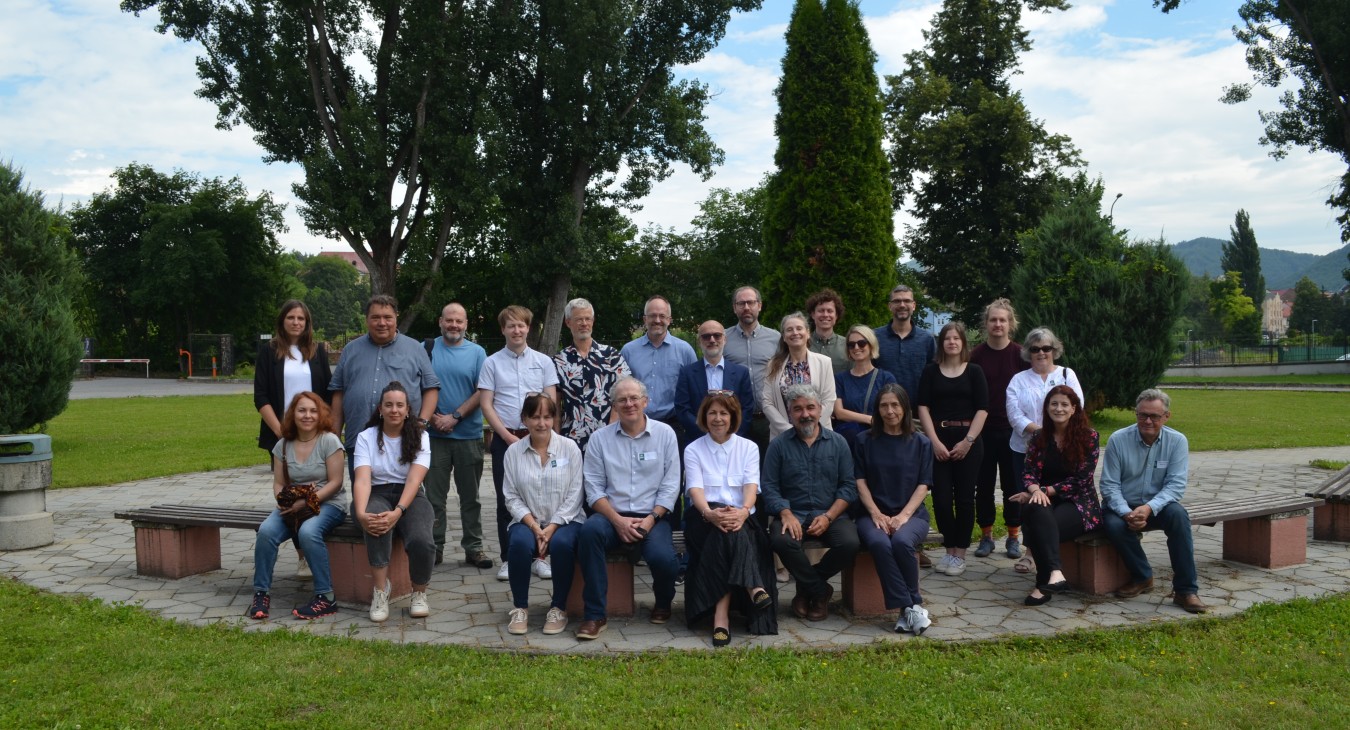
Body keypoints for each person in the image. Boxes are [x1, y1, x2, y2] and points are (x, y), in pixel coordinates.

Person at [575, 377, 681, 639]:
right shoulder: (600, 439)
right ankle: (595, 614)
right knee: (589, 533)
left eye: (634, 398)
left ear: (645, 401)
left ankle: (664, 601)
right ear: (614, 405)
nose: (629, 404)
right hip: (611, 515)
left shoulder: (665, 434)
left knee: (664, 559)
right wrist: (617, 521)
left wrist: (650, 520)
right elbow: (594, 489)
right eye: (622, 400)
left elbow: (671, 486)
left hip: (652, 516)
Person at [1099, 389, 1207, 614]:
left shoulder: (1177, 441)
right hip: (1122, 505)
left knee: (1179, 516)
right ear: (1135, 413)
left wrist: (1148, 508)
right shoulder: (1118, 439)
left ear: (1166, 416)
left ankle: (1186, 590)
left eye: (1154, 416)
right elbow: (1109, 485)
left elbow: (1175, 486)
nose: (1147, 421)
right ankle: (1142, 576)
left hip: (1157, 505)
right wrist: (1126, 512)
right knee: (1113, 525)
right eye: (1142, 415)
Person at [683, 392, 776, 646]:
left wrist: (744, 512)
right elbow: (695, 491)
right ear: (704, 416)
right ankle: (754, 588)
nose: (718, 418)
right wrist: (710, 514)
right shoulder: (693, 449)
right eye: (712, 413)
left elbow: (751, 487)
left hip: (742, 514)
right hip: (703, 516)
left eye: (724, 413)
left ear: (733, 417)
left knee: (729, 533)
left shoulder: (749, 447)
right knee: (726, 532)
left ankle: (720, 618)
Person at [761, 384, 859, 622]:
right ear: (789, 412)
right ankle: (820, 590)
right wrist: (785, 513)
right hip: (792, 514)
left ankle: (807, 588)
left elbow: (848, 486)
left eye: (810, 408)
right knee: (780, 540)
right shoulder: (778, 446)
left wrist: (828, 517)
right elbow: (769, 487)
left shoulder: (838, 443)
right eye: (798, 409)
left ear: (820, 409)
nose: (805, 414)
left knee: (850, 543)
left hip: (831, 514)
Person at [247, 391, 347, 620]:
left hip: (329, 504)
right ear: (293, 414)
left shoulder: (329, 440)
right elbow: (279, 484)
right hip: (293, 505)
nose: (308, 415)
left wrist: (308, 501)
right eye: (302, 410)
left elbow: (336, 482)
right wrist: (285, 502)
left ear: (320, 413)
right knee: (266, 531)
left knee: (308, 532)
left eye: (313, 410)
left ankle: (326, 597)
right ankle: (261, 592)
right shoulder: (282, 445)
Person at [479, 305, 560, 582]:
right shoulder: (491, 363)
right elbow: (486, 405)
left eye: (522, 325)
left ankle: (540, 557)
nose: (517, 330)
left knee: (543, 497)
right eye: (511, 326)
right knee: (506, 501)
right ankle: (508, 558)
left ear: (529, 328)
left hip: (538, 438)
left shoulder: (543, 361)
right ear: (503, 329)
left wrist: (549, 437)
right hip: (506, 439)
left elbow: (550, 401)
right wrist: (507, 436)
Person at [253, 299, 333, 579]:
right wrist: (280, 432)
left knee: (318, 491)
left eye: (301, 318)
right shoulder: (270, 352)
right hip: (284, 436)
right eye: (291, 318)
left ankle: (314, 549)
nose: (296, 322)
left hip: (316, 436)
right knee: (289, 494)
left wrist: (325, 429)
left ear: (307, 322)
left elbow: (327, 392)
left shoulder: (318, 352)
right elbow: (261, 396)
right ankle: (302, 556)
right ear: (282, 321)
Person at [351, 381, 437, 623]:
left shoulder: (421, 436)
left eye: (400, 405)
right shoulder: (366, 437)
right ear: (380, 409)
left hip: (409, 497)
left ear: (408, 409)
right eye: (388, 405)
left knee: (422, 538)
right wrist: (360, 514)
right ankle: (380, 591)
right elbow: (363, 480)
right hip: (375, 494)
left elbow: (413, 480)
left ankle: (419, 593)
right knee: (376, 521)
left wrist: (398, 511)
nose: (394, 410)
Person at [500, 394, 585, 636]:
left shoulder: (570, 448)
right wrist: (535, 527)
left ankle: (559, 607)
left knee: (562, 544)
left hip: (566, 521)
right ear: (524, 419)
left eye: (547, 417)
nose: (541, 423)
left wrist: (552, 527)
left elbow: (576, 492)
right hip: (527, 522)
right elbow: (511, 496)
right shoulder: (513, 452)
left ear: (554, 419)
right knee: (517, 543)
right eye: (535, 417)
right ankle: (520, 608)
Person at [1010, 385, 1101, 606]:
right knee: (1033, 508)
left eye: (1064, 404)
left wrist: (1045, 491)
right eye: (1054, 404)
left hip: (1079, 504)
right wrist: (1033, 490)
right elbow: (1029, 472)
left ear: (1073, 409)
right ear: (1047, 408)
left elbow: (1082, 480)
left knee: (1037, 523)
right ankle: (1055, 574)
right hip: (1044, 500)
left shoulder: (1089, 437)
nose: (1058, 408)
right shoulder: (1039, 437)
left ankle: (1043, 584)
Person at [853, 384, 933, 635]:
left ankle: (904, 610)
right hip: (871, 513)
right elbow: (859, 481)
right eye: (884, 405)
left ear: (905, 407)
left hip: (912, 514)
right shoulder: (863, 440)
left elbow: (924, 484)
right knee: (879, 543)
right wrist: (876, 513)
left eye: (895, 405)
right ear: (877, 410)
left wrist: (902, 517)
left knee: (901, 542)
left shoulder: (921, 442)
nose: (890, 411)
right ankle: (912, 605)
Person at [1004, 326, 1084, 568]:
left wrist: (1053, 436)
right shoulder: (1018, 379)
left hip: (1062, 449)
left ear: (1054, 350)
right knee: (1029, 498)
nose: (1041, 353)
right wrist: (1039, 434)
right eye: (1035, 349)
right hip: (1025, 449)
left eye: (1046, 348)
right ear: (1028, 352)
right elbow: (1013, 413)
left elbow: (1077, 406)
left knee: (1054, 496)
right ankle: (1030, 553)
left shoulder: (1066, 375)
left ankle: (1045, 550)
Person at [329, 295, 439, 464]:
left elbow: (431, 388)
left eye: (387, 317)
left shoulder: (415, 349)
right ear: (366, 320)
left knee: (406, 490)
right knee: (361, 489)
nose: (382, 323)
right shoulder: (350, 350)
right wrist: (334, 436)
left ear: (396, 317)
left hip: (404, 440)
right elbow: (339, 392)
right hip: (359, 439)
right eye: (375, 317)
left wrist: (422, 422)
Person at [917, 321, 988, 578]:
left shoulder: (974, 371)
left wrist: (968, 441)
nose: (952, 342)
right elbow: (922, 407)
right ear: (942, 343)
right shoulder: (930, 372)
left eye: (957, 338)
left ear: (963, 343)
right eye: (947, 338)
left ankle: (960, 553)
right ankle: (949, 548)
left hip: (968, 440)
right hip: (938, 438)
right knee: (942, 499)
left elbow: (983, 408)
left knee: (966, 498)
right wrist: (934, 441)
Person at [423, 302, 491, 570]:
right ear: (441, 321)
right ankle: (434, 547)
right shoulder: (426, 348)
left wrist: (455, 417)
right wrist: (433, 418)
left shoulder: (477, 353)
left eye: (459, 321)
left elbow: (481, 390)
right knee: (433, 498)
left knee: (471, 497)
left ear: (466, 325)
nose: (454, 325)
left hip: (468, 435)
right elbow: (418, 384)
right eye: (449, 320)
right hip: (434, 436)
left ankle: (473, 547)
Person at [969, 298, 1029, 559]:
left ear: (1010, 324)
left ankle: (1014, 537)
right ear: (986, 323)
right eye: (993, 319)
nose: (997, 324)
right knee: (982, 486)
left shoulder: (1020, 355)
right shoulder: (976, 356)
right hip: (982, 431)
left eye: (1002, 320)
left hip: (1013, 431)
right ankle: (986, 535)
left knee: (1012, 485)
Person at [553, 297, 631, 452]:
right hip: (570, 440)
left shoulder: (611, 356)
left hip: (607, 437)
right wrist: (555, 438)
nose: (584, 323)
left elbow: (623, 395)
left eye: (587, 319)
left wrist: (611, 431)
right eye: (579, 319)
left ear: (593, 321)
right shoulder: (558, 361)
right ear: (568, 323)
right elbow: (555, 405)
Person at [619, 295, 697, 433]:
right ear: (645, 319)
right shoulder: (628, 351)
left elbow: (695, 390)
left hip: (674, 425)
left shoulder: (685, 351)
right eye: (652, 316)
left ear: (669, 320)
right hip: (636, 424)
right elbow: (620, 390)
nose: (657, 320)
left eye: (662, 316)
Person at [724, 286, 781, 459]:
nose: (746, 307)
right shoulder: (723, 339)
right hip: (736, 419)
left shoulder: (776, 338)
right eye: (741, 303)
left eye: (751, 302)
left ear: (760, 305)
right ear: (735, 308)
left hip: (768, 419)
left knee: (768, 470)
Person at [674, 320, 755, 441]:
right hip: (698, 441)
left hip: (733, 441)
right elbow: (682, 409)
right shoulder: (687, 373)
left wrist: (730, 434)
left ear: (725, 339)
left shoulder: (741, 373)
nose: (712, 340)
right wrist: (706, 434)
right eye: (706, 336)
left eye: (717, 335)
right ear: (699, 341)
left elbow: (747, 409)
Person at [761, 312, 836, 439]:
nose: (795, 332)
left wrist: (812, 428)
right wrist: (788, 430)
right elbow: (767, 402)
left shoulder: (824, 362)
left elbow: (829, 400)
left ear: (807, 333)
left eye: (799, 328)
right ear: (784, 337)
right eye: (789, 330)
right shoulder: (772, 365)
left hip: (818, 435)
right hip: (783, 436)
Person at [832, 324, 897, 445]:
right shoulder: (840, 379)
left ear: (871, 345)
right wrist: (870, 419)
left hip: (878, 440)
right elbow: (839, 413)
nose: (856, 347)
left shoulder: (885, 378)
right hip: (849, 441)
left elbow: (893, 408)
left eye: (861, 343)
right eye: (851, 345)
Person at [873, 285, 936, 405]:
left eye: (907, 301)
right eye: (897, 301)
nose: (902, 305)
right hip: (885, 412)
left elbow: (934, 377)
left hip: (919, 414)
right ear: (890, 306)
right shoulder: (874, 337)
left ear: (914, 305)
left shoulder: (927, 340)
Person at [806, 288, 849, 374]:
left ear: (836, 315)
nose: (825, 315)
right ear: (813, 314)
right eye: (821, 311)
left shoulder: (847, 345)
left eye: (830, 311)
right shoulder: (803, 344)